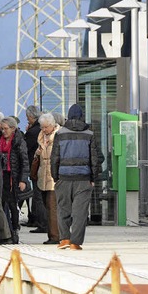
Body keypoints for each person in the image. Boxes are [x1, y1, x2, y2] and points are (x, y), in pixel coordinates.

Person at [51, 104, 99, 251]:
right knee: (80, 212)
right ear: (81, 116)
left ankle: (64, 238)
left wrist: (55, 177)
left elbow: (55, 158)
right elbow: (94, 159)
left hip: (63, 177)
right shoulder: (89, 134)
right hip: (83, 178)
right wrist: (93, 178)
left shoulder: (60, 134)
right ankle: (75, 242)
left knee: (63, 209)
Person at [0, 116, 29, 243]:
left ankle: (14, 231)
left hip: (13, 178)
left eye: (6, 129)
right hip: (1, 176)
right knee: (1, 204)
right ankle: (5, 232)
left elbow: (24, 162)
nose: (3, 131)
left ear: (13, 129)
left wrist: (23, 180)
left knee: (12, 205)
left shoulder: (18, 141)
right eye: (2, 129)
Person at [35, 113, 61, 244]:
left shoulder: (58, 136)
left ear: (52, 125)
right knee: (47, 205)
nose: (43, 130)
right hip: (43, 174)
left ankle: (55, 236)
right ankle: (53, 234)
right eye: (42, 127)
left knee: (52, 207)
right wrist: (37, 153)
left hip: (54, 176)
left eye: (45, 127)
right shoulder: (41, 136)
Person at [23, 105, 45, 231]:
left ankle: (40, 222)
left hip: (36, 166)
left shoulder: (33, 132)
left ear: (31, 116)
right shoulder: (40, 129)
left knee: (38, 195)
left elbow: (26, 149)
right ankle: (39, 220)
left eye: (28, 117)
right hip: (42, 166)